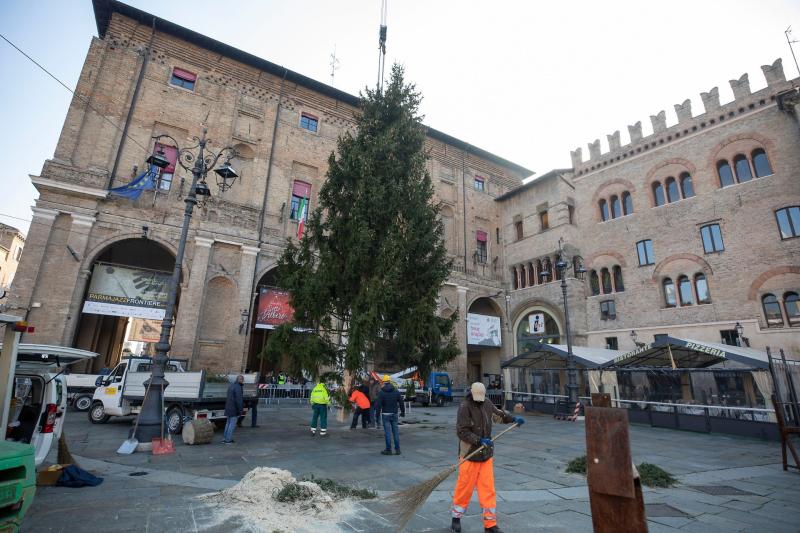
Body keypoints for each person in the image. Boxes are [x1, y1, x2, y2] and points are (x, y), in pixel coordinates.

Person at [450, 382, 525, 533]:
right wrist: (479, 440)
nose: (479, 400)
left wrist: (513, 419)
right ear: (471, 393)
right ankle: (456, 518)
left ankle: (490, 524)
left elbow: (498, 415)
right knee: (464, 488)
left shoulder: (487, 403)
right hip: (469, 455)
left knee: (488, 490)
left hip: (485, 455)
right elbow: (462, 431)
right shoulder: (464, 406)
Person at [378, 375, 405, 455]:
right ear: (390, 381)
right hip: (394, 413)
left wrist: (376, 416)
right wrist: (402, 412)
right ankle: (397, 450)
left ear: (383, 382)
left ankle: (388, 450)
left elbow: (378, 404)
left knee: (387, 433)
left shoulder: (382, 392)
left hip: (385, 414)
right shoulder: (396, 391)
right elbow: (401, 402)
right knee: (395, 432)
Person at [223, 375, 244, 444]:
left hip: (228, 407)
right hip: (234, 409)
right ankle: (228, 440)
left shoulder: (231, 386)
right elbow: (239, 400)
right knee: (232, 425)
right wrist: (240, 411)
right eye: (242, 380)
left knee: (228, 423)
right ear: (240, 380)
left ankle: (225, 438)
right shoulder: (238, 387)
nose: (243, 381)